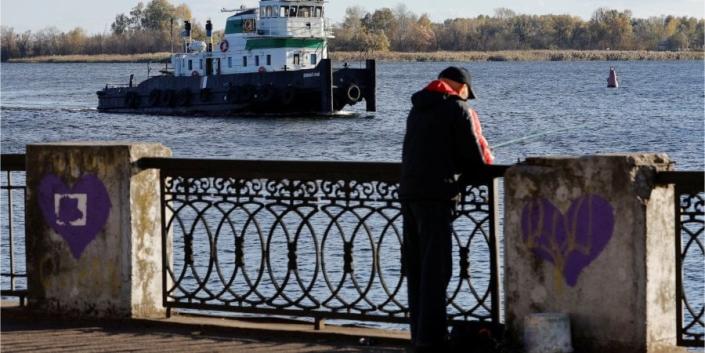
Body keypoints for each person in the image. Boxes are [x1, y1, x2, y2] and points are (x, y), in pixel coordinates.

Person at [400, 66, 493, 352]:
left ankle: (419, 335)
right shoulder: (457, 110)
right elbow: (474, 163)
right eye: (467, 92)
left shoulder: (417, 108)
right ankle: (432, 340)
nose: (467, 97)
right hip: (438, 197)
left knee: (417, 268)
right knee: (437, 270)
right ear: (461, 87)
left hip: (410, 195)